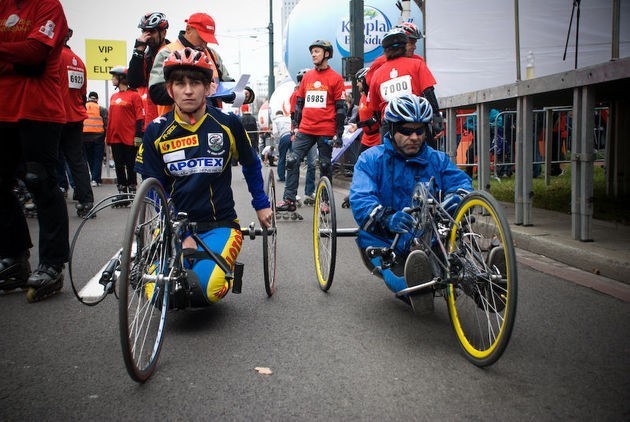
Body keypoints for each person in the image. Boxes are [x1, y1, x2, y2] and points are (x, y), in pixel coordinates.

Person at [135, 47, 272, 306]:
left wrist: (261, 204)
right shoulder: (155, 131)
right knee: (161, 297)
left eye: (195, 83)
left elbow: (252, 164)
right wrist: (180, 229)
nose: (188, 90)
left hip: (219, 225)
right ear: (169, 89)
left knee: (203, 292)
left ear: (208, 88)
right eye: (180, 83)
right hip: (173, 226)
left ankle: (218, 273)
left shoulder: (228, 124)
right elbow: (152, 188)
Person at [349, 94, 473, 313]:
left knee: (456, 264)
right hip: (385, 240)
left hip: (431, 238)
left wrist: (456, 198)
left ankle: (485, 285)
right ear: (392, 129)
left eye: (419, 131)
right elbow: (361, 198)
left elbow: (461, 183)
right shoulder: (370, 160)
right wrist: (386, 217)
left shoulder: (438, 159)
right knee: (400, 273)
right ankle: (416, 284)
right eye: (406, 131)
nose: (414, 137)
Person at [0, 0, 70, 301]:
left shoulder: (47, 6)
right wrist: (17, 59)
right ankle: (15, 255)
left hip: (39, 110)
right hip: (3, 110)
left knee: (40, 182)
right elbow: (25, 57)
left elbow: (35, 55)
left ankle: (52, 264)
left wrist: (16, 59)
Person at [276, 40, 346, 213]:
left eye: (317, 51)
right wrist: (295, 126)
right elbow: (299, 105)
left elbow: (340, 109)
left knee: (324, 164)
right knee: (292, 160)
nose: (313, 55)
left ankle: (325, 202)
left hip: (326, 129)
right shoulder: (307, 77)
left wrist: (339, 133)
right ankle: (289, 200)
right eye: (312, 52)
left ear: (327, 54)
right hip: (306, 128)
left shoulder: (335, 78)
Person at [148, 12, 233, 115]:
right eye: (202, 38)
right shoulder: (167, 53)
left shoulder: (212, 54)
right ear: (188, 29)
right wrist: (201, 89)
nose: (205, 44)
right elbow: (157, 94)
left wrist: (245, 93)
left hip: (212, 122)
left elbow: (229, 84)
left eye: (208, 40)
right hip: (176, 125)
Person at [58, 28, 94, 217]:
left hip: (57, 115)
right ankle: (86, 199)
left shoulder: (55, 57)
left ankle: (57, 192)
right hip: (75, 116)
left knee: (52, 160)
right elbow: (82, 93)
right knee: (78, 161)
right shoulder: (78, 61)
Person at [106, 66, 144, 202]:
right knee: (118, 165)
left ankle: (132, 190)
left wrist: (138, 136)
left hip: (129, 137)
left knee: (130, 164)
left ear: (122, 78)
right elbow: (110, 119)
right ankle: (122, 191)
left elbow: (140, 117)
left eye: (114, 77)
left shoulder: (134, 96)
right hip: (115, 137)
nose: (112, 79)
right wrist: (108, 137)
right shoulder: (113, 97)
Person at [128, 11, 169, 128]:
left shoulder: (172, 52)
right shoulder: (145, 55)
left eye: (152, 31)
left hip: (169, 115)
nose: (147, 36)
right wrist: (138, 51)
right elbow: (134, 82)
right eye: (144, 31)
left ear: (164, 32)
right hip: (151, 119)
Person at [83, 92, 108, 186]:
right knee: (98, 158)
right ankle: (95, 179)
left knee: (89, 158)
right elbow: (106, 123)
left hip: (85, 136)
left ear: (89, 98)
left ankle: (93, 177)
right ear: (97, 99)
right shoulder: (101, 109)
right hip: (98, 136)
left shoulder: (83, 107)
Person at [272, 110, 292, 181]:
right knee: (293, 157)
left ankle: (281, 177)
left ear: (276, 114)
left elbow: (275, 133)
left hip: (284, 137)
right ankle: (292, 176)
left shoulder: (276, 120)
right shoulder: (288, 118)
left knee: (282, 157)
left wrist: (277, 142)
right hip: (293, 136)